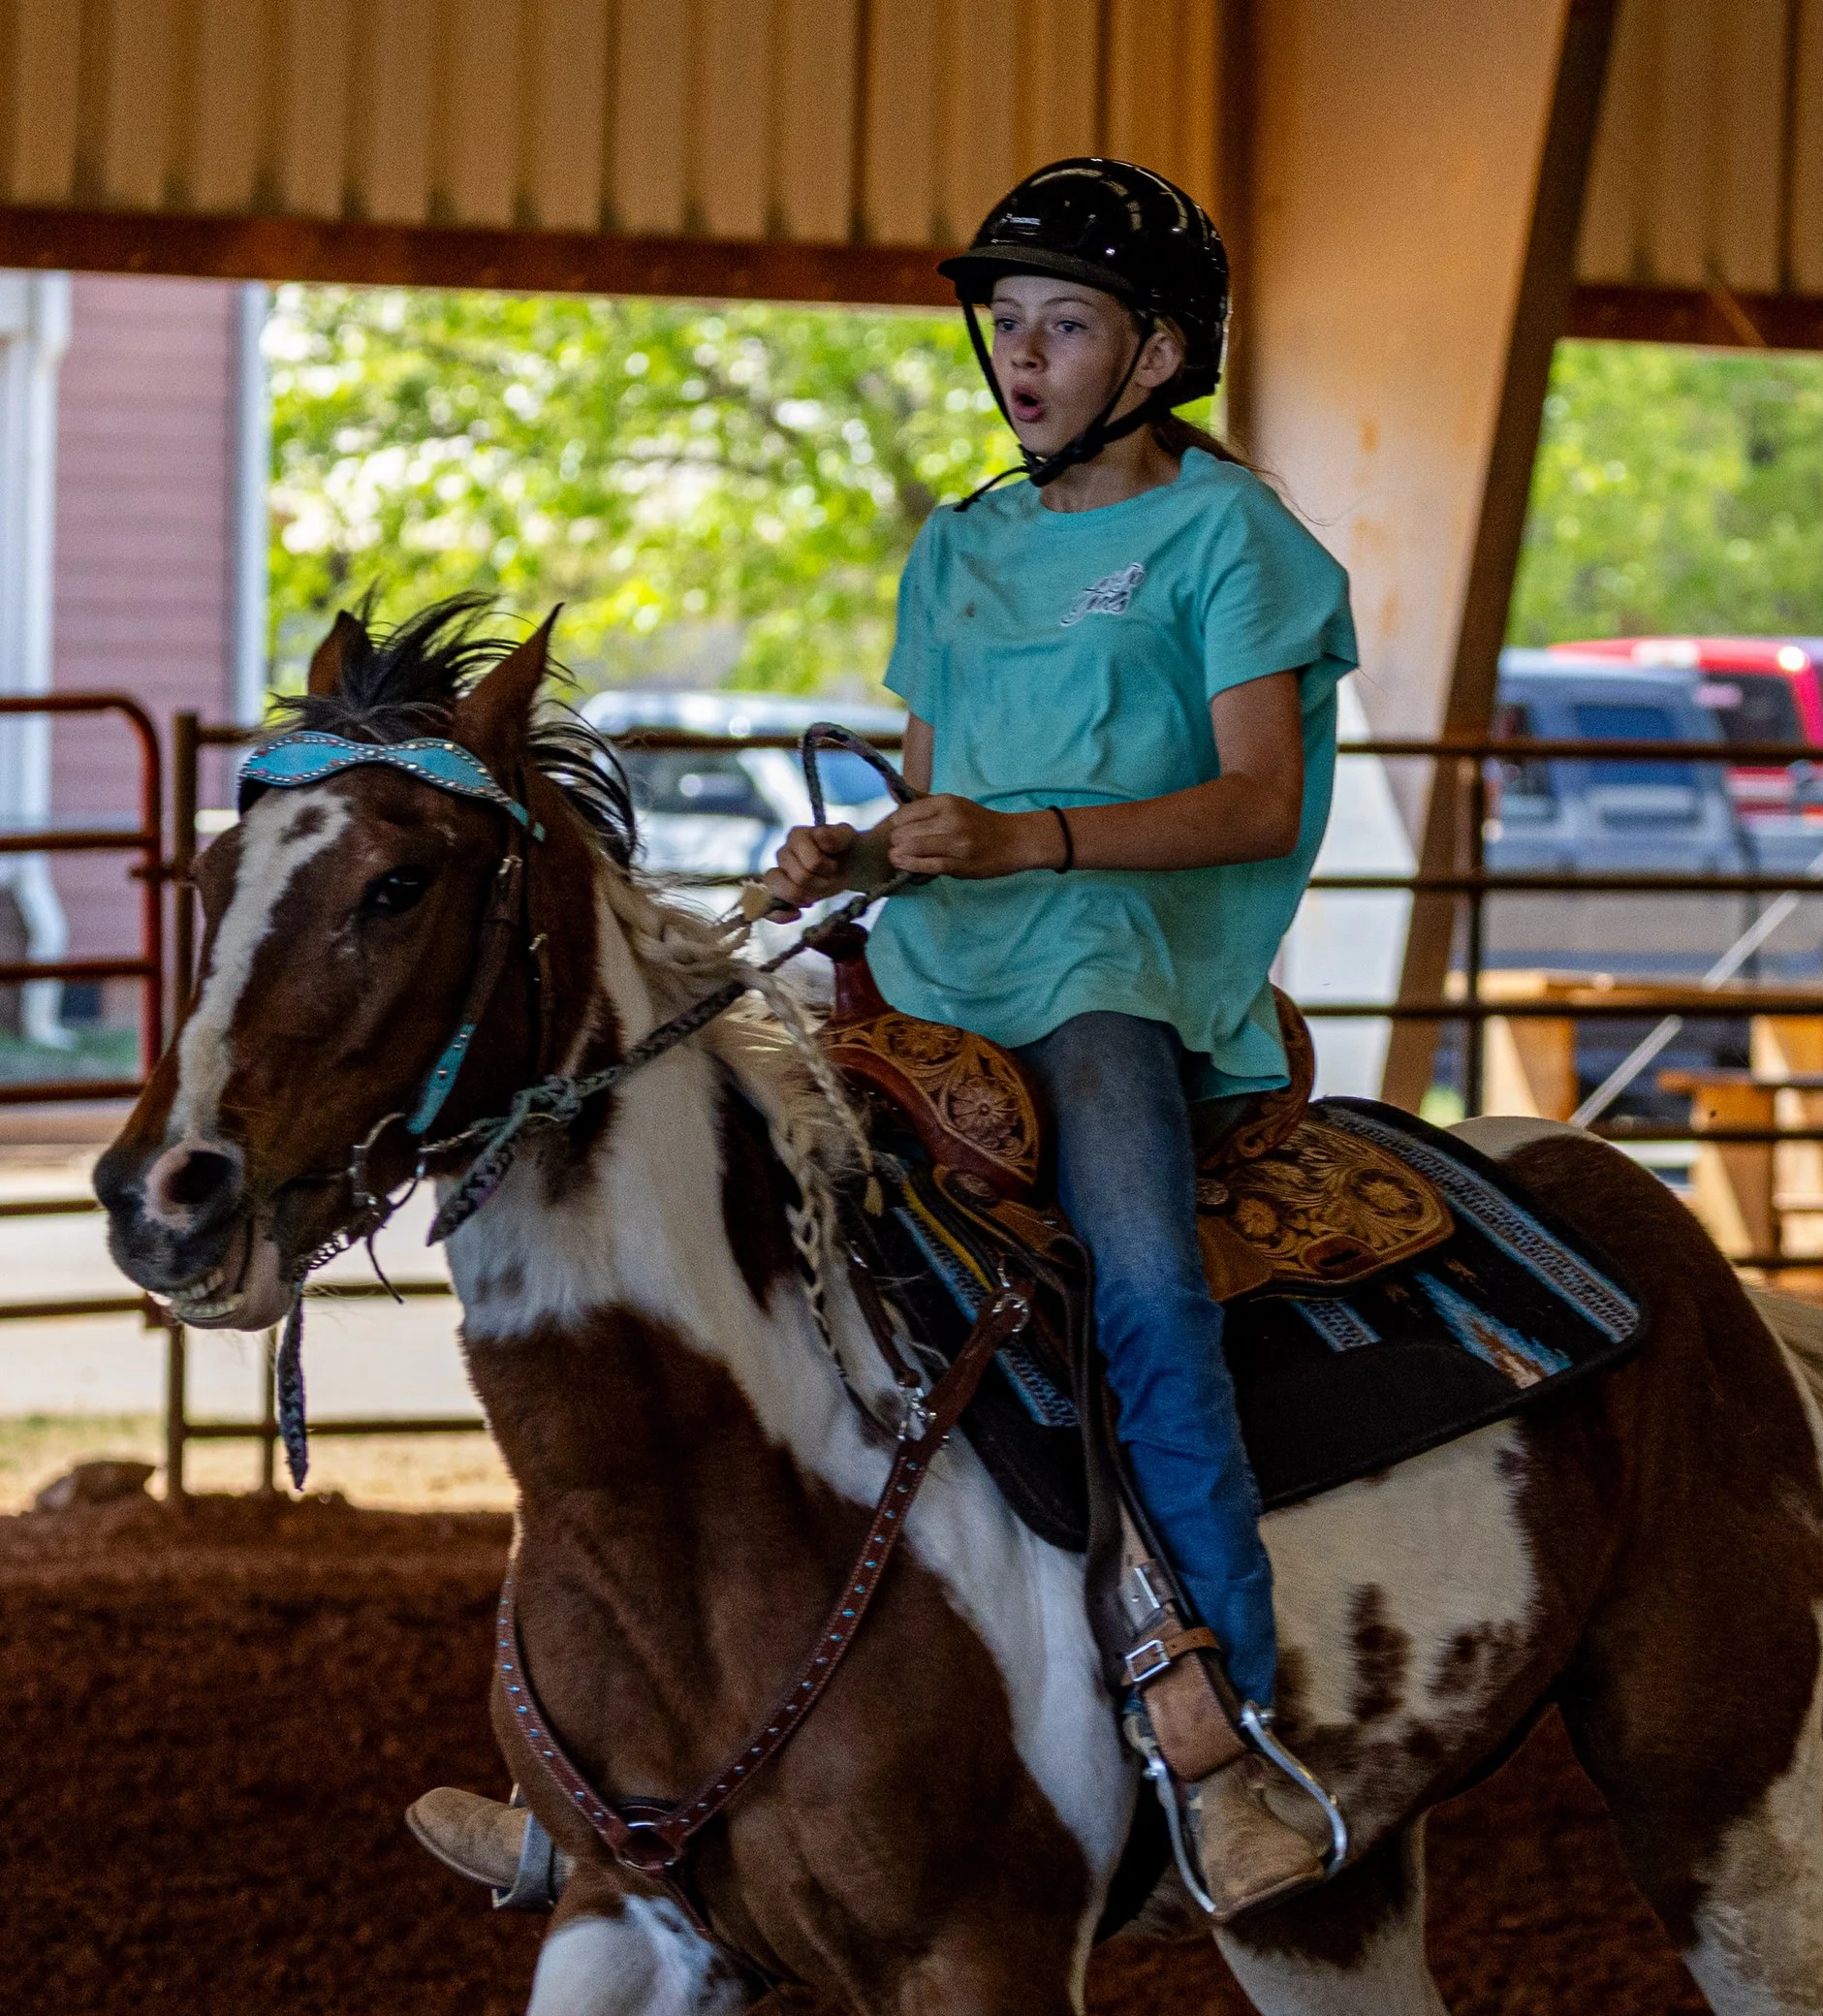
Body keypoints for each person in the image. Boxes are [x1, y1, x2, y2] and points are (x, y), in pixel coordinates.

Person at [411, 156, 1352, 1922]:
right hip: (918, 983)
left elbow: (1254, 800)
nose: (1021, 355)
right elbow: (940, 793)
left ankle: (1227, 1731)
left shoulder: (1235, 544)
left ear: (1157, 358)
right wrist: (860, 852)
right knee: (704, 1282)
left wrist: (1023, 842)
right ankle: (597, 1761)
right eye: (1006, 325)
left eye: (1062, 324)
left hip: (1114, 984)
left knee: (1145, 1285)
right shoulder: (964, 545)